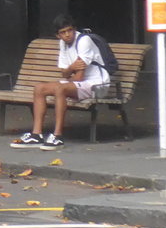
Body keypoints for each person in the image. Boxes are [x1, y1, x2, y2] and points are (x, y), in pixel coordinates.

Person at [11, 13, 111, 150]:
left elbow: (79, 77)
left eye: (70, 30)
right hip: (81, 84)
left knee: (60, 89)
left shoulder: (84, 41)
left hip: (97, 84)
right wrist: (71, 68)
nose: (67, 35)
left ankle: (57, 136)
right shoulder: (62, 44)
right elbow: (64, 72)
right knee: (39, 88)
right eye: (63, 32)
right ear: (58, 35)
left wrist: (69, 74)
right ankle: (36, 135)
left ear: (74, 29)